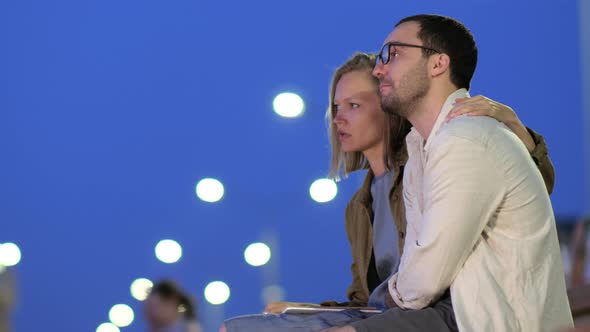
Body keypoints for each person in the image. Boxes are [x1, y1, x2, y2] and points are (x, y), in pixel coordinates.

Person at [221, 50, 555, 331]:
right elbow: (363, 300)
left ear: (387, 104)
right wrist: (304, 308)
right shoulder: (359, 205)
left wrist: (513, 125)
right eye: (335, 107)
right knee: (237, 327)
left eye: (354, 105)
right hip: (383, 316)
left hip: (441, 314)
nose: (339, 119)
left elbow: (532, 185)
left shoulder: (425, 164)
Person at [327, 14, 572, 332]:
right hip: (436, 310)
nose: (380, 68)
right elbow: (393, 286)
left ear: (438, 64)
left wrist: (515, 127)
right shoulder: (418, 153)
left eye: (393, 53)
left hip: (474, 317)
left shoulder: (463, 139)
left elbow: (425, 278)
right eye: (335, 108)